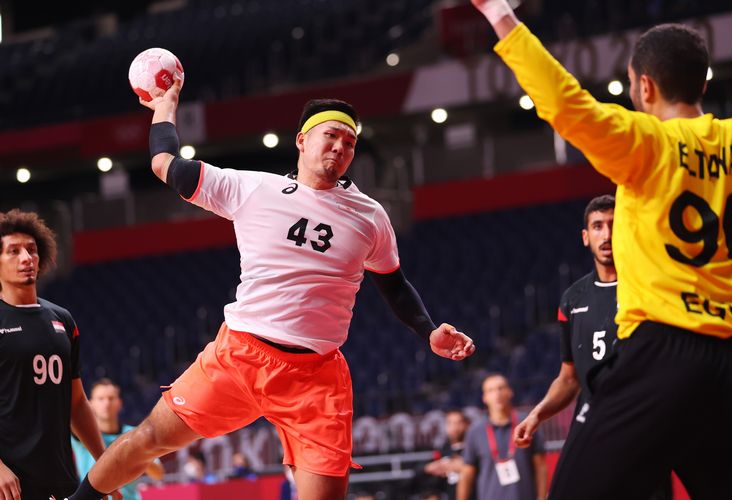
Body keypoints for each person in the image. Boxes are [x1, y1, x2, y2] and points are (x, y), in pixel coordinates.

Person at [64, 75, 475, 500]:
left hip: (316, 376)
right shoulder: (255, 188)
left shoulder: (370, 217)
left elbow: (395, 286)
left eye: (350, 142)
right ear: (302, 140)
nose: (340, 147)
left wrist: (428, 331)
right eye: (331, 135)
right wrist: (165, 108)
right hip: (240, 356)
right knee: (150, 438)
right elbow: (164, 163)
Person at [471, 1, 732, 498]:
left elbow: (566, 103)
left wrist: (500, 16)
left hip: (666, 348)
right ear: (702, 85)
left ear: (645, 87)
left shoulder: (647, 142)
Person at [514, 195, 672, 499]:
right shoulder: (573, 299)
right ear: (586, 237)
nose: (607, 234)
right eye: (598, 226)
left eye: (614, 224)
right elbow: (568, 379)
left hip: (643, 421)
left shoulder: (651, 287)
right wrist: (537, 414)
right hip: (593, 422)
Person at [0, 209, 111, 500]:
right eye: (14, 251)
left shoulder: (62, 319)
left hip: (61, 478)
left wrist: (106, 464)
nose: (26, 258)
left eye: (32, 250)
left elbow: (78, 403)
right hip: (9, 483)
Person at [71, 379, 164, 500]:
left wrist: (140, 454)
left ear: (119, 403)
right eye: (101, 399)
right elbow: (73, 413)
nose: (106, 403)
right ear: (91, 404)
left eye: (111, 398)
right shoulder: (83, 433)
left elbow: (158, 474)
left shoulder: (135, 433)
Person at [456, 374, 546, 500]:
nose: (497, 394)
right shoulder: (475, 431)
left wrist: (542, 497)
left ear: (510, 392)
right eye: (491, 390)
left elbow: (540, 466)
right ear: (484, 398)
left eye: (501, 388)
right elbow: (467, 474)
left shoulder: (526, 423)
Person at [424, 410, 472, 499]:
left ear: (467, 425)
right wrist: (429, 468)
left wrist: (463, 466)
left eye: (458, 423)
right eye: (450, 423)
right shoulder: (443, 451)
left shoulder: (474, 449)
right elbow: (423, 472)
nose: (454, 427)